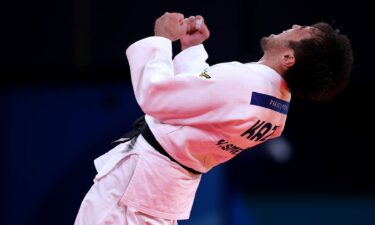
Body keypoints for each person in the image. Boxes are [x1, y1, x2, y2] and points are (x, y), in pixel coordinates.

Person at [74, 12, 353, 225]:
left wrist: (160, 40)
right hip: (160, 190)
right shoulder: (276, 108)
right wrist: (192, 50)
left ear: (290, 58)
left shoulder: (242, 80)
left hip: (136, 188)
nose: (292, 27)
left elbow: (154, 96)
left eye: (300, 31)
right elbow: (203, 92)